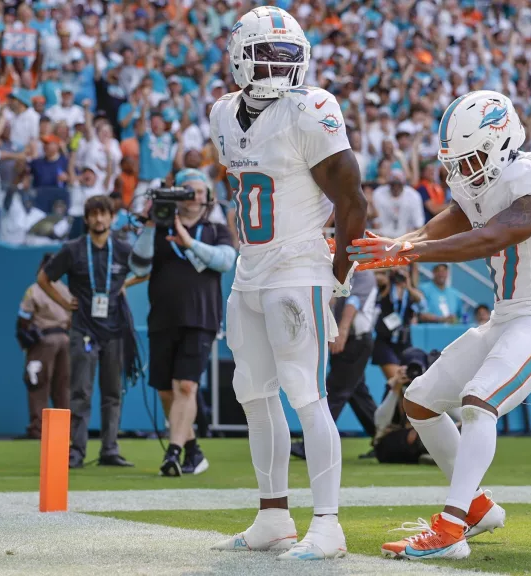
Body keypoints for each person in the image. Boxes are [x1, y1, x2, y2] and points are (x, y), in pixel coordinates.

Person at [348, 90, 531, 561]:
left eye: (471, 157)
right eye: (456, 162)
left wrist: (409, 251)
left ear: (501, 141)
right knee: (418, 401)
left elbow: (495, 235)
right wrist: (401, 241)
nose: (463, 171)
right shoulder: (478, 183)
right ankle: (476, 508)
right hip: (506, 318)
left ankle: (451, 529)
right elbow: (453, 219)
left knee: (479, 400)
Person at [207, 6, 367, 561]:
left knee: (305, 392)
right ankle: (273, 514)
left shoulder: (311, 109)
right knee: (252, 391)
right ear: (238, 57)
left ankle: (328, 524)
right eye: (266, 54)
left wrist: (340, 271)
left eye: (285, 55)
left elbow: (353, 199)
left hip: (298, 267)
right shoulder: (223, 113)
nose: (277, 65)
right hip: (249, 269)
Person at [129, 168, 236, 476]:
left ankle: (172, 453)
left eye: (199, 191)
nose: (194, 196)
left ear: (208, 197)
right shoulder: (159, 230)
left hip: (201, 317)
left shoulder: (216, 230)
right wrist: (150, 225)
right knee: (166, 391)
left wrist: (189, 242)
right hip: (163, 317)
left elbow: (226, 261)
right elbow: (137, 264)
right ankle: (193, 450)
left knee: (186, 386)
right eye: (187, 190)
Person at [38, 195, 134, 469]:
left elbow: (146, 269)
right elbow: (44, 279)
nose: (99, 219)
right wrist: (63, 302)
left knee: (113, 393)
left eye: (104, 214)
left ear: (112, 217)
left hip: (115, 330)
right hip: (83, 331)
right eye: (93, 214)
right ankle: (76, 451)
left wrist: (124, 286)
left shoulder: (123, 249)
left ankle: (109, 450)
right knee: (80, 391)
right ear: (87, 218)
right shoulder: (73, 249)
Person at [291, 266, 379, 460]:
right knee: (358, 394)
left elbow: (353, 303)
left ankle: (312, 445)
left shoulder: (363, 274)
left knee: (334, 393)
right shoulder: (346, 272)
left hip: (353, 339)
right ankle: (384, 441)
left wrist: (342, 331)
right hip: (349, 339)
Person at [17, 253, 71, 440]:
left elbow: (24, 318)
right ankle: (64, 429)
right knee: (63, 386)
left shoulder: (35, 289)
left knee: (38, 383)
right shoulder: (64, 289)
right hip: (65, 338)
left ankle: (38, 428)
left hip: (44, 340)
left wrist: (24, 336)